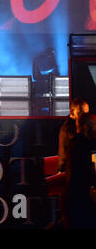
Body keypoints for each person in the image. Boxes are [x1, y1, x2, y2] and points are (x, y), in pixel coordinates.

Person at [57, 97, 96, 228]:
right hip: (67, 182)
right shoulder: (71, 132)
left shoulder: (80, 140)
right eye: (81, 113)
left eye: (85, 113)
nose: (83, 115)